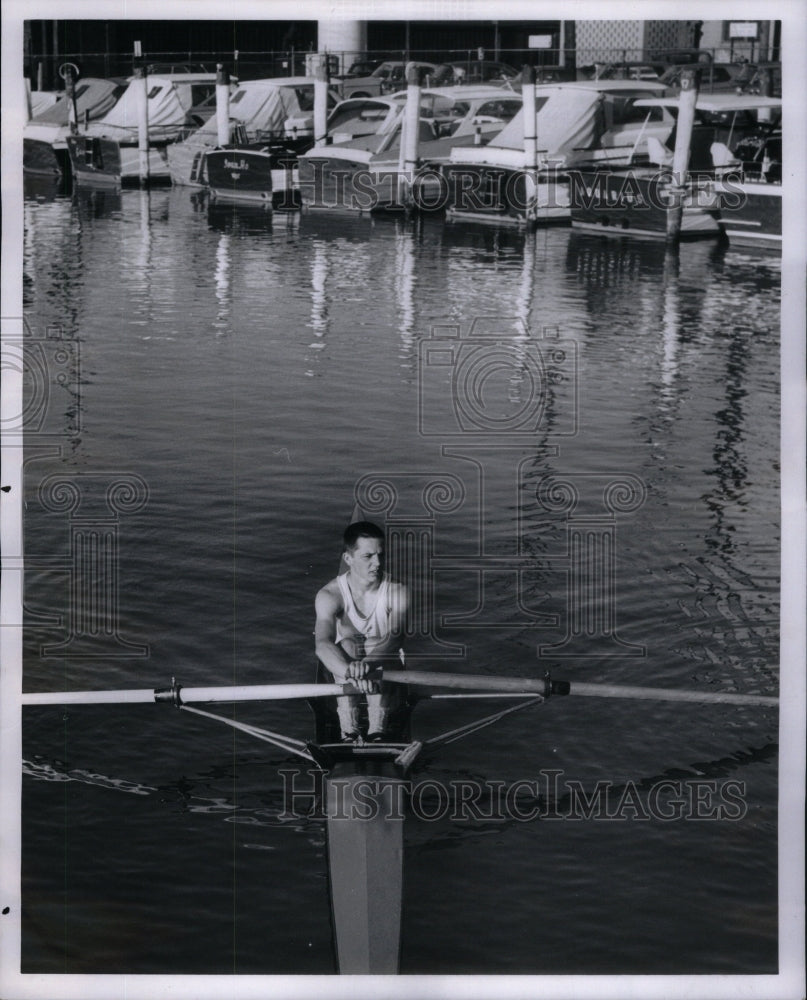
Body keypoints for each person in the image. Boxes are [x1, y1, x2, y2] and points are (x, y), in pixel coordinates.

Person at [314, 521, 408, 742]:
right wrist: (352, 674)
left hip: (385, 667)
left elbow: (395, 638)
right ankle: (350, 730)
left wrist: (366, 666)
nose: (378, 563)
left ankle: (377, 730)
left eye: (380, 555)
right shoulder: (329, 594)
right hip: (346, 671)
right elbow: (322, 645)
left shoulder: (398, 591)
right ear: (348, 559)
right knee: (347, 644)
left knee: (375, 642)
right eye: (368, 557)